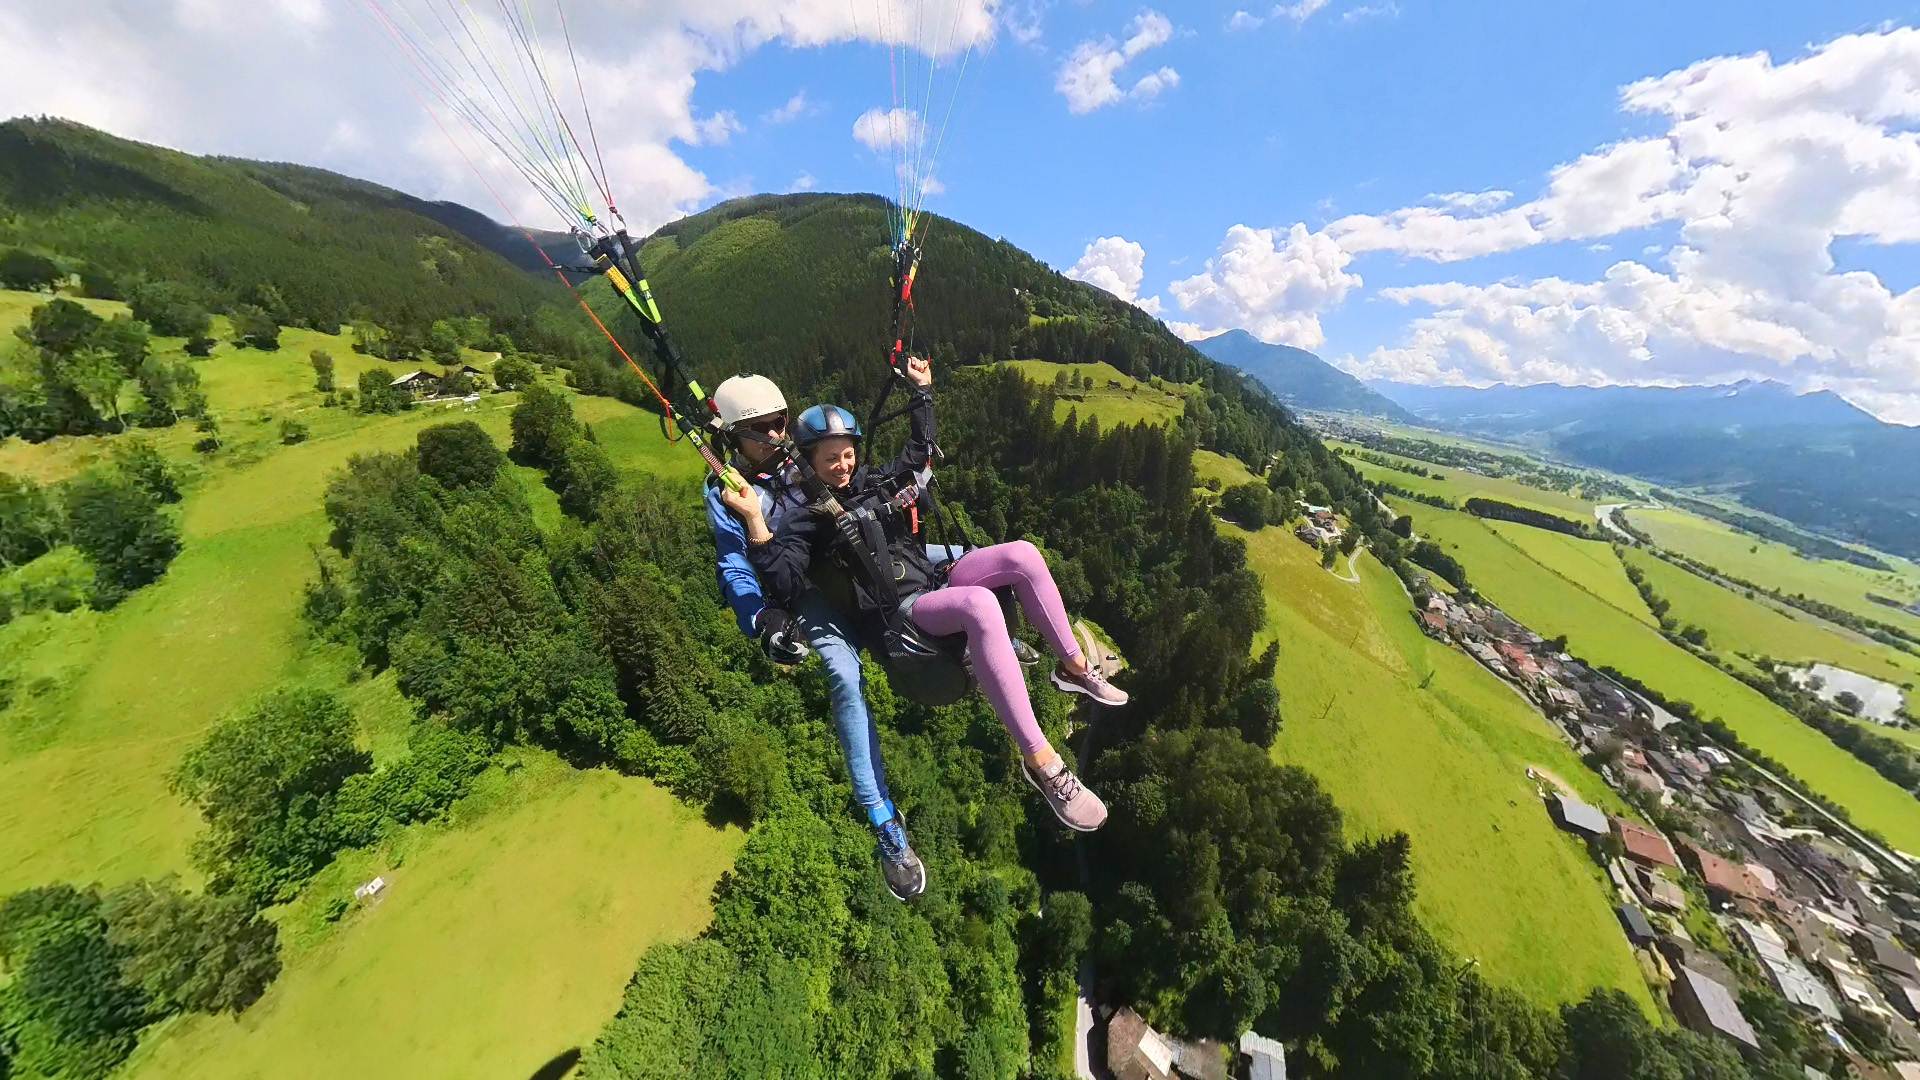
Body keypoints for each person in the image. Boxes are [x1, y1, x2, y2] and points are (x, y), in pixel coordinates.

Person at [720, 355, 1125, 834]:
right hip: (903, 613)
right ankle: (1042, 762)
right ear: (809, 461)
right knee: (980, 605)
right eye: (830, 459)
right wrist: (756, 521)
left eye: (848, 454)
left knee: (1022, 554)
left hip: (932, 578)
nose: (843, 466)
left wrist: (922, 392)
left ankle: (1074, 669)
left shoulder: (870, 481)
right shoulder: (806, 520)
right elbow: (785, 581)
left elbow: (918, 452)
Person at [705, 373, 929, 901]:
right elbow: (734, 564)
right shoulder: (729, 493)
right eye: (764, 428)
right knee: (845, 678)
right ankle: (882, 819)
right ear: (736, 436)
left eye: (781, 422)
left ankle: (992, 643)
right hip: (807, 588)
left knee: (961, 564)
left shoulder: (803, 456)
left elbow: (863, 475)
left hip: (856, 561)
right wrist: (760, 617)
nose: (777, 433)